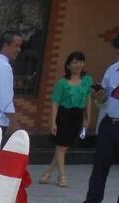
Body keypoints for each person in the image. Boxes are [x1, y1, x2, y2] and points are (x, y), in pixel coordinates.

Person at [40, 52, 93, 188]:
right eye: (75, 62)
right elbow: (55, 103)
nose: (78, 65)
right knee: (61, 147)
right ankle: (62, 176)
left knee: (63, 147)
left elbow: (88, 100)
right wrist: (53, 122)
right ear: (68, 65)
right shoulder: (62, 84)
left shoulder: (87, 81)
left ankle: (47, 173)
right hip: (64, 116)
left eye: (81, 62)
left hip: (77, 115)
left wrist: (87, 117)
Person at [82, 35, 119, 203]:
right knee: (100, 165)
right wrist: (99, 96)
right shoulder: (112, 70)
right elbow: (103, 99)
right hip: (110, 123)